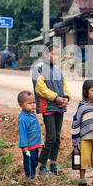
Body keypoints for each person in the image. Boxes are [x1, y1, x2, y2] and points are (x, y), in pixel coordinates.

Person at [32, 41, 71, 176]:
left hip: (60, 107)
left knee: (57, 138)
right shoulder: (39, 68)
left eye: (57, 54)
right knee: (50, 137)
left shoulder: (57, 70)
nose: (56, 57)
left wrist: (66, 97)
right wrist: (56, 98)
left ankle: (53, 164)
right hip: (48, 107)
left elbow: (64, 85)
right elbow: (40, 88)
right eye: (53, 54)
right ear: (45, 54)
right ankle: (42, 166)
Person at [17, 91, 44, 180]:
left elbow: (38, 129)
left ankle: (32, 176)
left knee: (35, 161)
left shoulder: (32, 114)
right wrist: (24, 146)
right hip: (28, 147)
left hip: (35, 144)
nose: (33, 105)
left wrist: (41, 141)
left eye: (34, 103)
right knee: (29, 162)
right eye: (29, 103)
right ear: (21, 105)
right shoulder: (23, 119)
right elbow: (23, 133)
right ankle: (29, 178)